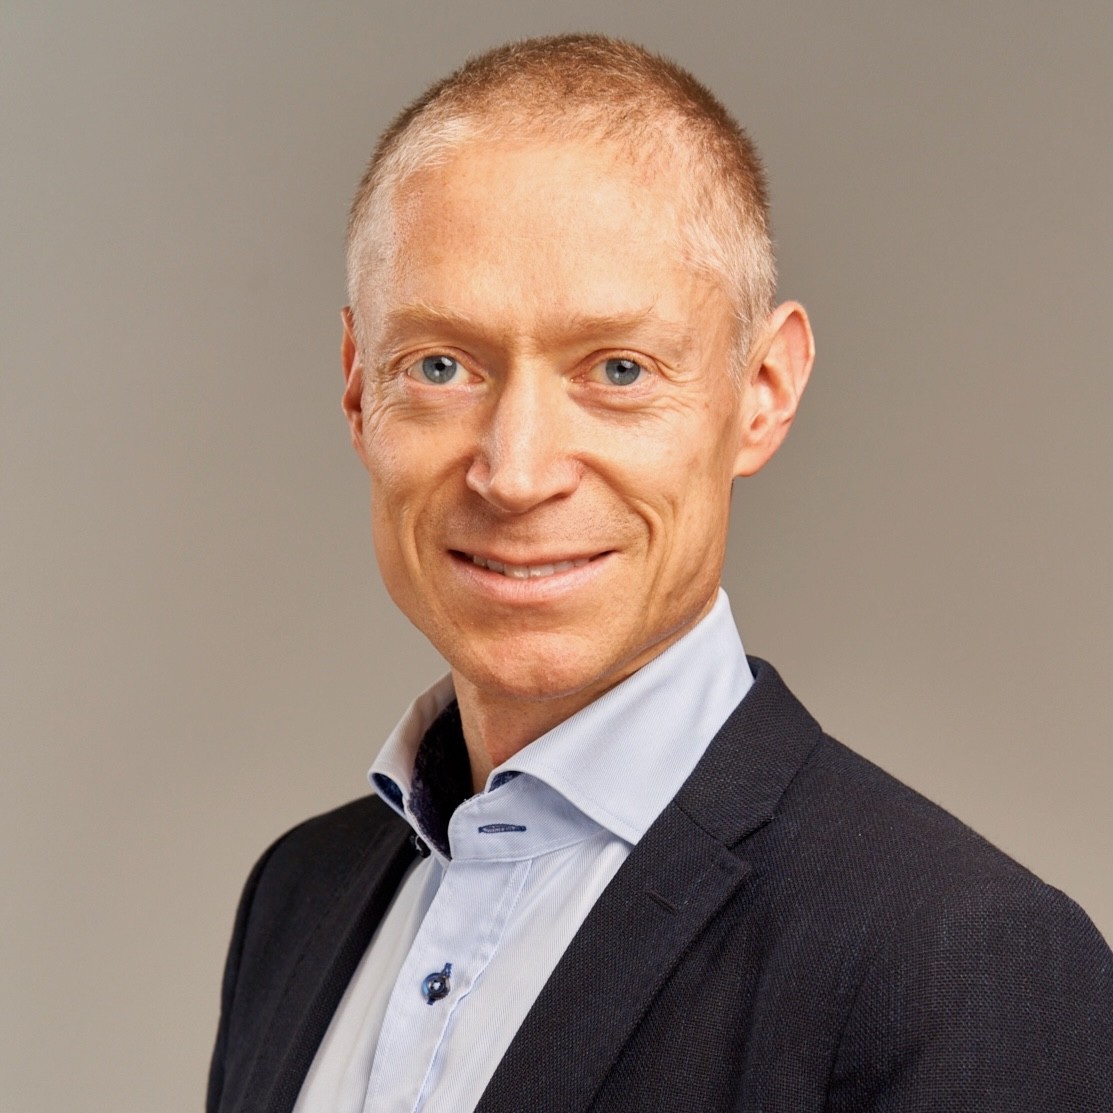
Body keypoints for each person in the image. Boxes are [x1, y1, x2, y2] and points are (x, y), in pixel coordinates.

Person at [207, 34, 1112, 1113]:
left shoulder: (961, 963)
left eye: (619, 370)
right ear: (361, 389)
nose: (516, 472)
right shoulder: (296, 897)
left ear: (762, 390)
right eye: (441, 366)